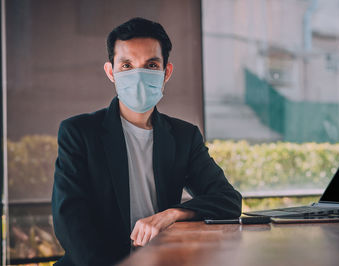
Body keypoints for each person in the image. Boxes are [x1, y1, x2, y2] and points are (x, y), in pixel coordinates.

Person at [52, 17, 242, 266]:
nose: (138, 76)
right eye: (127, 65)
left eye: (151, 65)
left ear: (167, 72)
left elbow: (228, 200)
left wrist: (172, 214)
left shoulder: (184, 136)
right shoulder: (79, 132)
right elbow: (70, 221)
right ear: (111, 72)